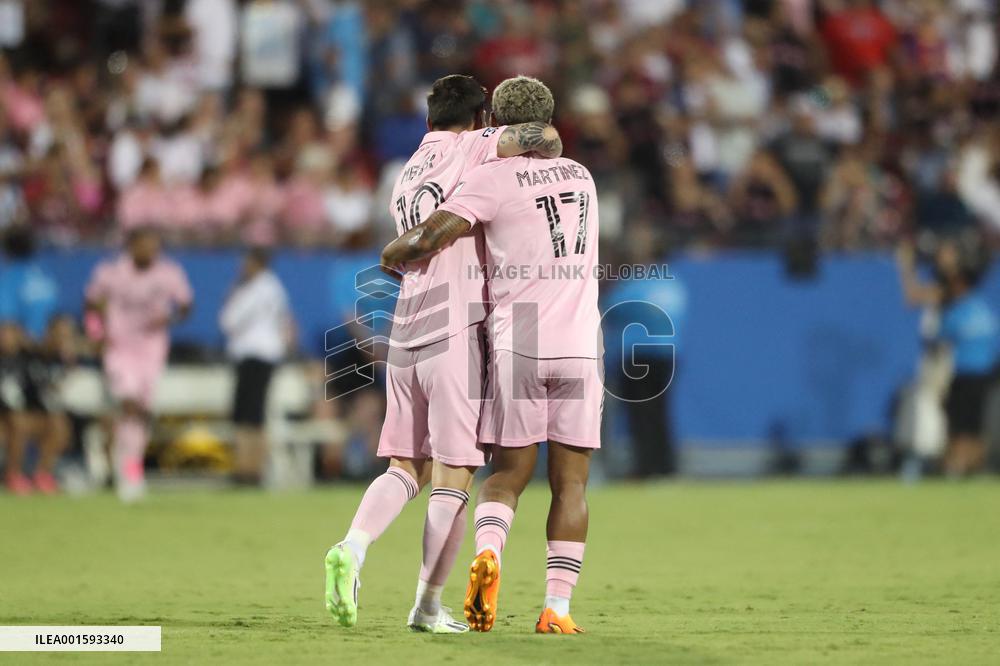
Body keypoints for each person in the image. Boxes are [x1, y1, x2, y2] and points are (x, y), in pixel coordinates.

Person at [324, 74, 563, 634]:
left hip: (407, 322)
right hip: (458, 325)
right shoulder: (476, 146)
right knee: (455, 475)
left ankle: (352, 547)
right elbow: (546, 136)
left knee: (405, 465)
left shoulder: (405, 172)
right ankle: (428, 607)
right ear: (481, 119)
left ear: (429, 121)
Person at [381, 76, 601, 634]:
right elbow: (547, 145)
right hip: (579, 339)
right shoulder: (582, 176)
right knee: (571, 484)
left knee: (505, 476)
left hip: (518, 336)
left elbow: (433, 236)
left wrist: (395, 251)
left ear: (495, 123)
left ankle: (490, 556)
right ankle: (558, 608)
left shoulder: (491, 178)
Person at [85, 227, 193, 502]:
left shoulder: (168, 272)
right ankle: (127, 472)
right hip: (119, 348)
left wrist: (169, 318)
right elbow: (91, 303)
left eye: (154, 245)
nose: (150, 250)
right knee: (129, 404)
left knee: (141, 413)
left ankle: (131, 471)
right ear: (131, 245)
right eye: (144, 244)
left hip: (151, 350)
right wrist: (96, 333)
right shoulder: (110, 271)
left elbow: (185, 304)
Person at [219, 248, 292, 485]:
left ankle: (247, 469)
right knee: (255, 414)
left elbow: (229, 321)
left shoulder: (256, 288)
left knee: (247, 416)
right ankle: (252, 468)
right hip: (266, 353)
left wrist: (233, 294)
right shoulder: (274, 287)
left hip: (253, 354)